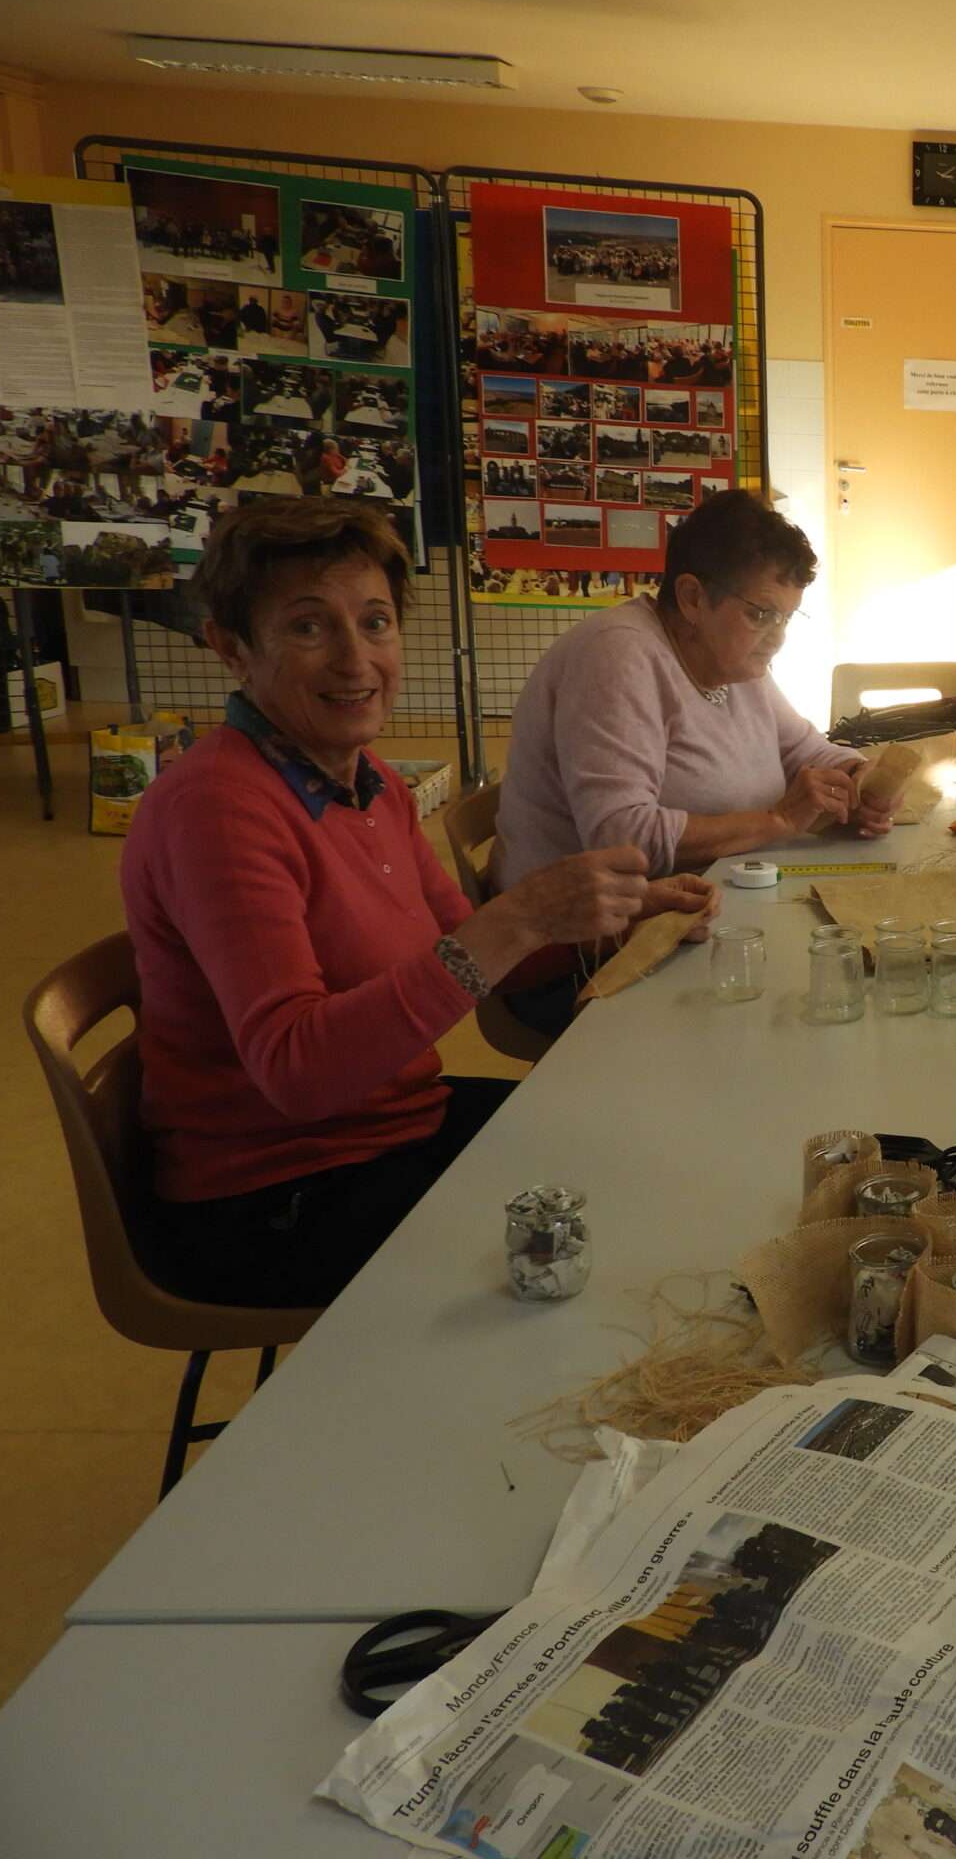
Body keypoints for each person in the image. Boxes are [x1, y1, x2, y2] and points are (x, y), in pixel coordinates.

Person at [121, 498, 715, 1309]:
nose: (355, 660)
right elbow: (297, 1072)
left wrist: (619, 914)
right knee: (624, 1238)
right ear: (231, 648)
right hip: (273, 1194)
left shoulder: (371, 784)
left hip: (395, 1128)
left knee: (648, 1153)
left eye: (375, 622)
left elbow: (482, 952)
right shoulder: (217, 808)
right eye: (308, 627)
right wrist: (522, 916)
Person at [492, 490, 891, 1027]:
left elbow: (804, 747)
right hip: (581, 949)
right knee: (800, 1007)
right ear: (692, 598)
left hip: (698, 906)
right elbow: (621, 838)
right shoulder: (618, 657)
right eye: (761, 614)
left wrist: (857, 779)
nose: (777, 638)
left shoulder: (732, 661)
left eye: (787, 617)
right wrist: (777, 821)